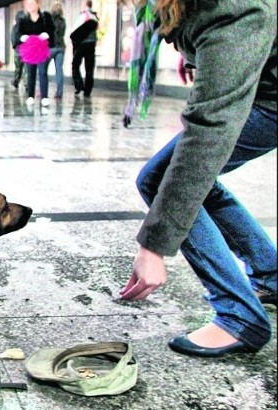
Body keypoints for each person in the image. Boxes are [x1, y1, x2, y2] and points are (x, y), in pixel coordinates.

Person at [120, 0, 277, 358]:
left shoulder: (235, 9)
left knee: (162, 178)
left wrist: (154, 245)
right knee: (175, 178)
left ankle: (240, 317)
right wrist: (200, 55)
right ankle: (270, 273)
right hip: (265, 87)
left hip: (271, 102)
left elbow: (209, 131)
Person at [17, 0, 55, 107]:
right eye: (28, 4)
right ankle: (30, 96)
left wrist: (46, 34)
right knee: (30, 72)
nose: (30, 6)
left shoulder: (45, 17)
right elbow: (19, 32)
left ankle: (44, 97)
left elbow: (51, 29)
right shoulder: (23, 19)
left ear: (38, 4)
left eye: (32, 3)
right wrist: (22, 37)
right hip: (30, 49)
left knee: (42, 72)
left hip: (42, 48)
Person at [70, 0, 98, 97]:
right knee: (89, 69)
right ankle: (87, 91)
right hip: (91, 45)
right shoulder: (95, 17)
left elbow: (75, 32)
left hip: (82, 44)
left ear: (85, 5)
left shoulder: (83, 15)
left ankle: (79, 85)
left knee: (75, 65)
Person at [48, 1, 66, 99]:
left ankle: (41, 90)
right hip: (61, 47)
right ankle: (59, 93)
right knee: (59, 70)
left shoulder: (49, 20)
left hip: (51, 48)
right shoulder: (63, 21)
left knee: (42, 68)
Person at [10, 10, 26, 90]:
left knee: (18, 69)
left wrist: (15, 46)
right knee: (26, 69)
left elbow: (13, 39)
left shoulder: (14, 28)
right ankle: (27, 85)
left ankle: (16, 81)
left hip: (17, 51)